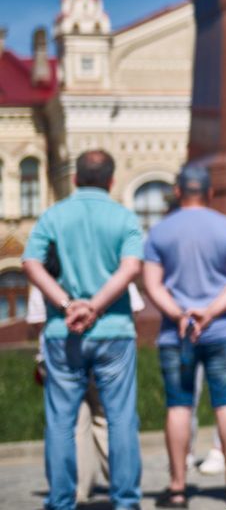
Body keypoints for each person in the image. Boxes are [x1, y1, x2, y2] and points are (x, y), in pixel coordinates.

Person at [21, 149, 144, 510]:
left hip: (63, 332)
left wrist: (66, 304)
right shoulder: (124, 217)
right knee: (120, 418)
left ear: (75, 178)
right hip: (114, 329)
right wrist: (97, 305)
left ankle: (61, 501)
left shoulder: (53, 216)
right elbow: (132, 266)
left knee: (61, 421)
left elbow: (30, 263)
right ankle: (125, 501)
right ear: (111, 180)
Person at [143, 163, 226, 508]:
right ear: (210, 193)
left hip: (176, 333)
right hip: (220, 329)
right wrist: (210, 312)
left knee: (179, 406)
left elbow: (152, 284)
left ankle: (177, 487)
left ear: (177, 192)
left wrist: (179, 313)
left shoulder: (159, 232)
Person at [27, 282, 145, 504]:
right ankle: (122, 489)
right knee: (111, 419)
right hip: (110, 341)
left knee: (70, 423)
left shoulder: (49, 260)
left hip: (61, 345)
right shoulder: (111, 260)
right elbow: (135, 307)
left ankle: (76, 490)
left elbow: (37, 319)